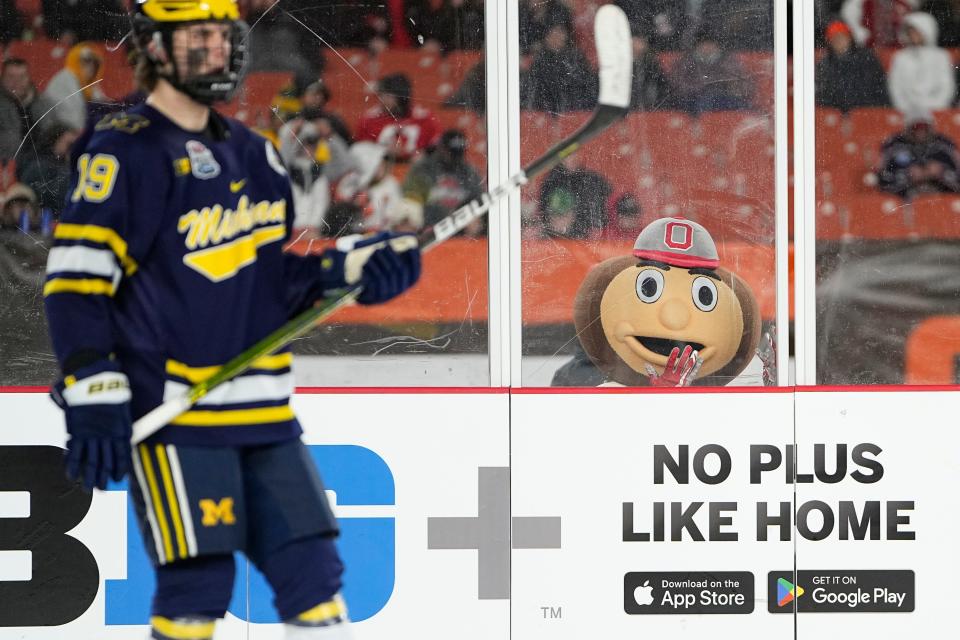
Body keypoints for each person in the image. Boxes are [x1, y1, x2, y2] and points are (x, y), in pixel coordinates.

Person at [42, 5, 421, 640]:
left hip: (265, 415)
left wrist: (353, 269)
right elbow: (75, 284)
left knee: (314, 574)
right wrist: (93, 385)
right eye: (198, 38)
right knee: (199, 582)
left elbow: (268, 285)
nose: (216, 50)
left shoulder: (255, 155)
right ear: (155, 49)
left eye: (222, 36)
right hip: (179, 416)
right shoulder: (123, 150)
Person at [400, 129, 484, 233]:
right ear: (441, 148)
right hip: (426, 229)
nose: (454, 158)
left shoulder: (469, 171)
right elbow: (411, 200)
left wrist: (471, 216)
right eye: (450, 153)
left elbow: (478, 201)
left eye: (458, 153)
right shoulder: (423, 168)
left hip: (458, 230)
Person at [355, 73, 441, 161]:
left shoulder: (425, 118)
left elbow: (435, 148)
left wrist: (423, 155)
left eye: (388, 96)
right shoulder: (369, 120)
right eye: (380, 95)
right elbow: (361, 151)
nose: (382, 99)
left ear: (401, 97)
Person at [875, 108, 960, 197]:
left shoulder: (944, 145)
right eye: (915, 127)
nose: (920, 132)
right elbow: (881, 182)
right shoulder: (893, 146)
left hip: (943, 199)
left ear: (931, 127)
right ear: (907, 128)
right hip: (904, 201)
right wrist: (907, 175)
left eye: (924, 127)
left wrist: (942, 172)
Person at [670, 31, 753, 114]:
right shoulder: (687, 61)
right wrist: (698, 88)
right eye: (703, 44)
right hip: (694, 99)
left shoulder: (728, 60)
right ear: (697, 46)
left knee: (741, 106)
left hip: (724, 97)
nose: (707, 47)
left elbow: (742, 82)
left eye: (710, 44)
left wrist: (726, 87)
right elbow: (677, 83)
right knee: (704, 102)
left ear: (716, 46)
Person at [887, 12, 955, 114]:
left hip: (938, 113)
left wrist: (935, 108)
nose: (913, 35)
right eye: (911, 31)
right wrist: (905, 108)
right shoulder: (900, 57)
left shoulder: (941, 56)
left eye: (917, 31)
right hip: (906, 113)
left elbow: (947, 88)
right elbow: (895, 87)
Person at [815, 20, 890, 112]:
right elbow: (824, 97)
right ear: (829, 42)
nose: (839, 41)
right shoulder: (824, 65)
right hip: (839, 115)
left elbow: (879, 88)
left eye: (842, 37)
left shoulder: (867, 58)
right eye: (834, 38)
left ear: (850, 38)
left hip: (869, 110)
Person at [522, 23, 598, 113]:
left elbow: (586, 81)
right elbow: (538, 91)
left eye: (561, 32)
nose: (557, 37)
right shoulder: (540, 59)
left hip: (577, 104)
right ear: (546, 38)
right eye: (553, 33)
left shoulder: (575, 55)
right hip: (552, 107)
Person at [41, 42, 109, 131]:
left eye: (94, 63)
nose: (91, 66)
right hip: (59, 132)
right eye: (86, 61)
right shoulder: (65, 78)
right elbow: (73, 119)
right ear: (75, 60)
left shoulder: (90, 86)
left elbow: (104, 105)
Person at [16, 123, 80, 216]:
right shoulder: (39, 164)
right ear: (56, 140)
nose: (73, 149)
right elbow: (49, 196)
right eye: (70, 144)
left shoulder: (60, 164)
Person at [842, 0, 919, 47]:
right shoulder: (865, 3)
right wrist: (862, 34)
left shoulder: (902, 3)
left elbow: (911, 23)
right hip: (872, 47)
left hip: (897, 49)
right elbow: (851, 17)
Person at [628, 31, 673, 111]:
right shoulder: (621, 62)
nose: (636, 44)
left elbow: (661, 85)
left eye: (640, 41)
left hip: (649, 104)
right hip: (629, 104)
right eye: (634, 41)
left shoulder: (651, 62)